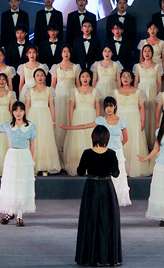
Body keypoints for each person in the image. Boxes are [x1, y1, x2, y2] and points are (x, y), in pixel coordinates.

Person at [61, 96, 131, 207]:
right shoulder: (101, 120)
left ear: (115, 107)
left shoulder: (121, 121)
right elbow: (84, 126)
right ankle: (106, 199)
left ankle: (115, 199)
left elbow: (126, 138)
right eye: (106, 107)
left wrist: (118, 147)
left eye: (111, 106)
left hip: (117, 152)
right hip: (104, 152)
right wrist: (67, 128)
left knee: (118, 175)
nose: (109, 109)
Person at [74, 125, 123, 267]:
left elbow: (80, 171)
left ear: (93, 137)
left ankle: (91, 257)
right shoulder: (111, 153)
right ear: (107, 138)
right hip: (107, 188)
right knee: (107, 221)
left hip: (92, 187)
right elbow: (116, 173)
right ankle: (108, 257)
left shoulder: (87, 153)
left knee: (90, 220)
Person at [61, 71, 102, 175]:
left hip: (91, 115)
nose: (85, 78)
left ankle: (92, 166)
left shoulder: (95, 91)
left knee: (90, 139)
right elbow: (71, 106)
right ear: (79, 79)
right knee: (77, 139)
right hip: (78, 116)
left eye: (87, 76)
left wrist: (98, 121)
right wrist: (71, 121)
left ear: (90, 78)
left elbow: (97, 106)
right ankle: (78, 166)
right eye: (83, 76)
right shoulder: (74, 91)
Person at [113, 70, 152, 177]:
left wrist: (142, 121)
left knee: (134, 141)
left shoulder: (138, 92)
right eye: (123, 76)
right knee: (122, 141)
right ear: (120, 79)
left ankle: (134, 168)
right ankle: (121, 168)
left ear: (131, 79)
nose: (125, 78)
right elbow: (113, 109)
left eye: (128, 76)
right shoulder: (115, 92)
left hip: (134, 119)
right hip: (120, 119)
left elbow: (142, 108)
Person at [25, 68, 61, 174]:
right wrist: (26, 120)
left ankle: (45, 165)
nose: (40, 77)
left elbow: (52, 106)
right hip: (33, 115)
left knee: (45, 139)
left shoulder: (49, 90)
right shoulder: (30, 90)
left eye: (42, 75)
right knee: (34, 140)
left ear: (45, 77)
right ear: (34, 77)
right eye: (37, 75)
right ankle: (33, 165)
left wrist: (53, 121)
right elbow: (27, 106)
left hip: (45, 115)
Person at [50, 46, 81, 148]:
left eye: (68, 52)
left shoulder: (76, 67)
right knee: (60, 116)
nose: (66, 54)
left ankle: (70, 144)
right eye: (64, 51)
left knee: (70, 116)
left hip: (71, 95)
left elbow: (78, 85)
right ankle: (59, 145)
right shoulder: (56, 67)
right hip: (59, 95)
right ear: (61, 53)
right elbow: (53, 85)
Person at [133, 44, 163, 148]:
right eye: (145, 51)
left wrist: (158, 95)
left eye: (149, 51)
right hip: (141, 90)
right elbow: (136, 81)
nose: (147, 53)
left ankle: (152, 141)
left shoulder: (158, 66)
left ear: (152, 53)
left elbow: (159, 82)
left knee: (152, 113)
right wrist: (135, 95)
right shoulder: (138, 66)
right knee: (142, 112)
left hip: (153, 91)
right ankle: (143, 140)